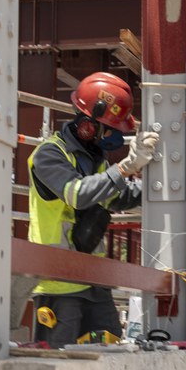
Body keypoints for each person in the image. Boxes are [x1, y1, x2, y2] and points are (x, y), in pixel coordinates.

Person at [27, 71, 159, 348]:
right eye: (110, 128)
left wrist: (158, 188)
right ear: (88, 125)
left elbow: (115, 198)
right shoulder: (49, 155)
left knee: (108, 354)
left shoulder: (94, 160)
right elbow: (78, 194)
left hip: (93, 280)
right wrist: (125, 168)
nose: (113, 137)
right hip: (59, 283)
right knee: (59, 367)